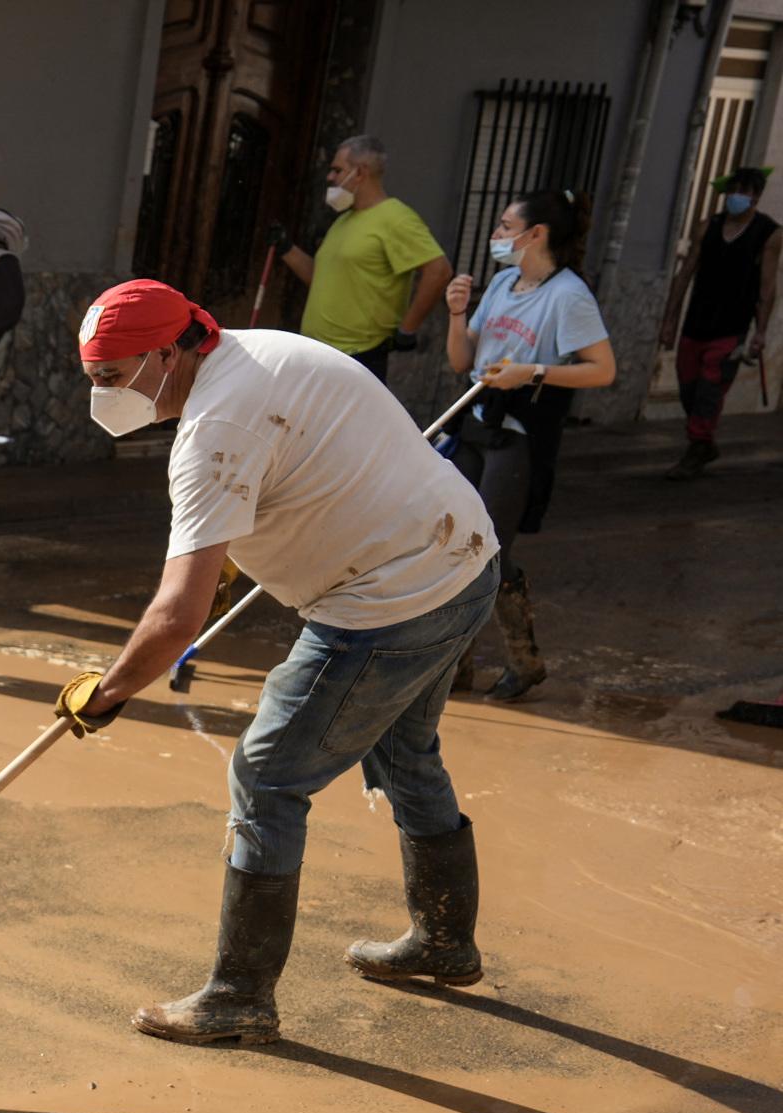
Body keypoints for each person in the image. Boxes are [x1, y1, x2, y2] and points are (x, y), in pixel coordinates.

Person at [60, 280, 499, 1045]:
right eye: (92, 376)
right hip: (464, 563)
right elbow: (303, 466)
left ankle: (239, 996)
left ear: (168, 351)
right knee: (405, 751)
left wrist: (108, 691)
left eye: (113, 375)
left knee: (266, 772)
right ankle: (445, 940)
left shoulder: (213, 432)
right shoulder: (258, 351)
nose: (101, 394)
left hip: (389, 601)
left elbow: (175, 617)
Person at [441, 189, 614, 703]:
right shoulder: (500, 283)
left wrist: (532, 372)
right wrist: (455, 315)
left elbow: (602, 369)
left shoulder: (568, 295)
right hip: (474, 423)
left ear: (535, 234)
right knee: (455, 544)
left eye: (504, 226)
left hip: (518, 434)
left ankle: (523, 658)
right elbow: (460, 362)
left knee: (487, 549)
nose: (497, 235)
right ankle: (458, 665)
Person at [278, 135, 451, 385]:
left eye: (337, 170)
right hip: (318, 350)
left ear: (360, 172)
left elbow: (439, 270)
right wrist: (287, 248)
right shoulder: (344, 220)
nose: (330, 178)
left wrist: (408, 328)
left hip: (357, 355)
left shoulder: (396, 218)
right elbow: (322, 278)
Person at [665, 165, 776, 481]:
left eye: (745, 192)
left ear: (756, 197)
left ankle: (697, 446)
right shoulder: (707, 227)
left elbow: (767, 287)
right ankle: (703, 442)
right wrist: (670, 320)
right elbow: (685, 274)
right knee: (688, 387)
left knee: (710, 389)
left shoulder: (768, 234)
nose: (737, 197)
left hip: (732, 328)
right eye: (733, 190)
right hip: (696, 322)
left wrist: (761, 332)